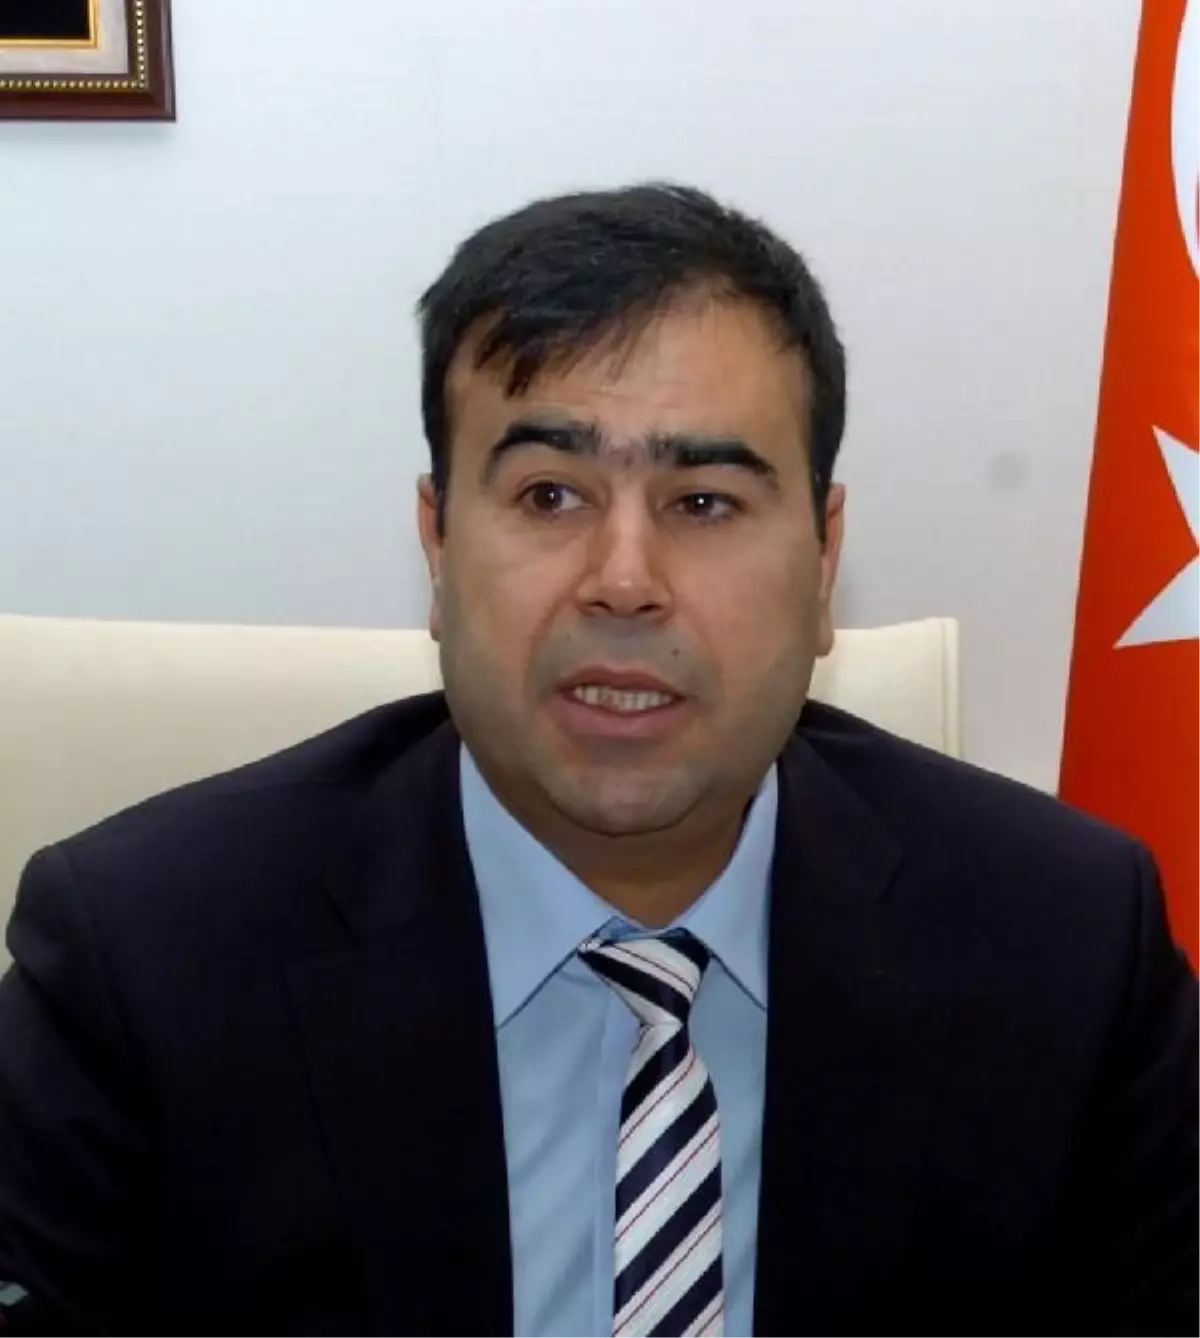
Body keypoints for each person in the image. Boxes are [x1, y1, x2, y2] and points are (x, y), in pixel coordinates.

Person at [0, 183, 1198, 1338]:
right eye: (550, 494)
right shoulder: (145, 961)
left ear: (825, 562)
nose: (624, 581)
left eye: (706, 502)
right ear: (437, 544)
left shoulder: (1068, 946)